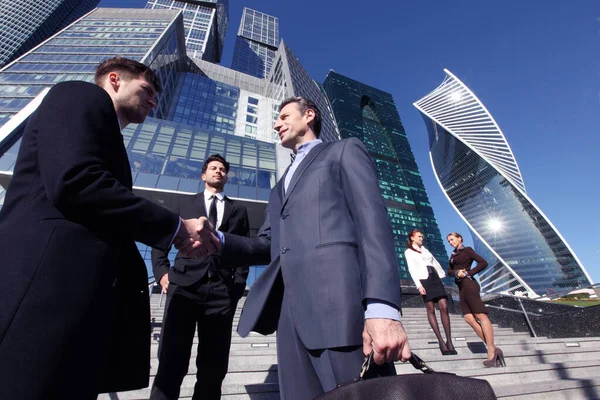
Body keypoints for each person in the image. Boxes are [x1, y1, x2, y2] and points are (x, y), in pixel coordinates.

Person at [0, 57, 217, 400]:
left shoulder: (107, 135)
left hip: (72, 304)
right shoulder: (78, 95)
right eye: (147, 90)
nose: (153, 101)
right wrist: (176, 227)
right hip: (41, 293)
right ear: (114, 80)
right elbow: (76, 181)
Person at [218, 96, 411, 399]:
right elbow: (268, 244)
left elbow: (373, 225)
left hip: (341, 312)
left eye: (283, 116)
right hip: (290, 319)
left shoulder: (343, 150)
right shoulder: (278, 188)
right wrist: (218, 241)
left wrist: (383, 307)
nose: (276, 124)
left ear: (309, 115)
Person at [150, 154, 250, 400]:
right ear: (203, 175)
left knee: (213, 368)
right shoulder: (184, 203)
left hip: (221, 293)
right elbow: (161, 240)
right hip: (183, 287)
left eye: (223, 169)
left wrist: (236, 287)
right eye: (214, 168)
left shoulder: (239, 210)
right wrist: (163, 273)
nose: (219, 171)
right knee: (172, 363)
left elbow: (244, 250)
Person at [447, 232, 505, 367]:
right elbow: (449, 271)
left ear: (460, 238)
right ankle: (493, 347)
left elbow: (483, 262)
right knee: (468, 318)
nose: (450, 242)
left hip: (469, 284)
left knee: (480, 315)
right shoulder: (453, 255)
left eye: (452, 239)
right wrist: (456, 272)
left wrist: (469, 272)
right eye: (449, 241)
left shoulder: (467, 250)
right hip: (461, 287)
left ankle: (491, 351)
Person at [404, 229, 456, 355]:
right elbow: (412, 269)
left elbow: (434, 263)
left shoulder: (425, 249)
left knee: (444, 306)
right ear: (412, 238)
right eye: (419, 237)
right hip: (424, 279)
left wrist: (440, 277)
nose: (421, 238)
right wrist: (419, 285)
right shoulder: (409, 252)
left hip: (435, 278)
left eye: (422, 236)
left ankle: (449, 341)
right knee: (431, 309)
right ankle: (441, 342)